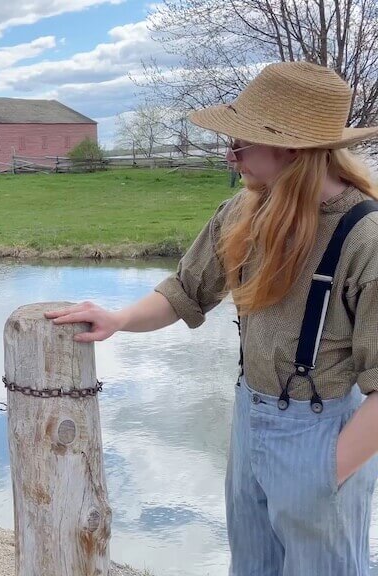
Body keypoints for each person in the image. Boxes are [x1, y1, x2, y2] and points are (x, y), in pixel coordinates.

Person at [48, 61, 378, 574]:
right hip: (251, 419)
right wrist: (117, 318)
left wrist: (325, 471)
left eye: (241, 143)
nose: (229, 153)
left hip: (326, 433)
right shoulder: (242, 213)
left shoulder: (366, 239)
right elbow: (185, 290)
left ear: (290, 148)